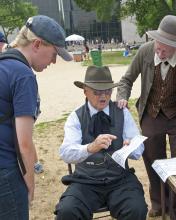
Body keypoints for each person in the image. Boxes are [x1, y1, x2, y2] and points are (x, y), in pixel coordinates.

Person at [116, 15, 176, 220]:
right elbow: (126, 80)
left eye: (166, 47)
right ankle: (158, 203)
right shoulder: (145, 51)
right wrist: (122, 97)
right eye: (159, 43)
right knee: (153, 158)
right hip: (152, 112)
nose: (160, 50)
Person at [0, 15, 72, 220]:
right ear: (37, 44)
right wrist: (29, 184)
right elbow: (24, 142)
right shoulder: (23, 75)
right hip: (5, 171)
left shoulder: (4, 64)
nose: (54, 61)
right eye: (54, 53)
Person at [55, 66, 148, 220]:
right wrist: (90, 148)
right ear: (85, 91)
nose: (103, 96)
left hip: (120, 179)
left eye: (107, 91)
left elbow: (139, 151)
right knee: (67, 211)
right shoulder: (76, 116)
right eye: (97, 92)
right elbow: (66, 153)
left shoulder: (122, 111)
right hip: (86, 181)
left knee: (136, 209)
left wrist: (130, 146)